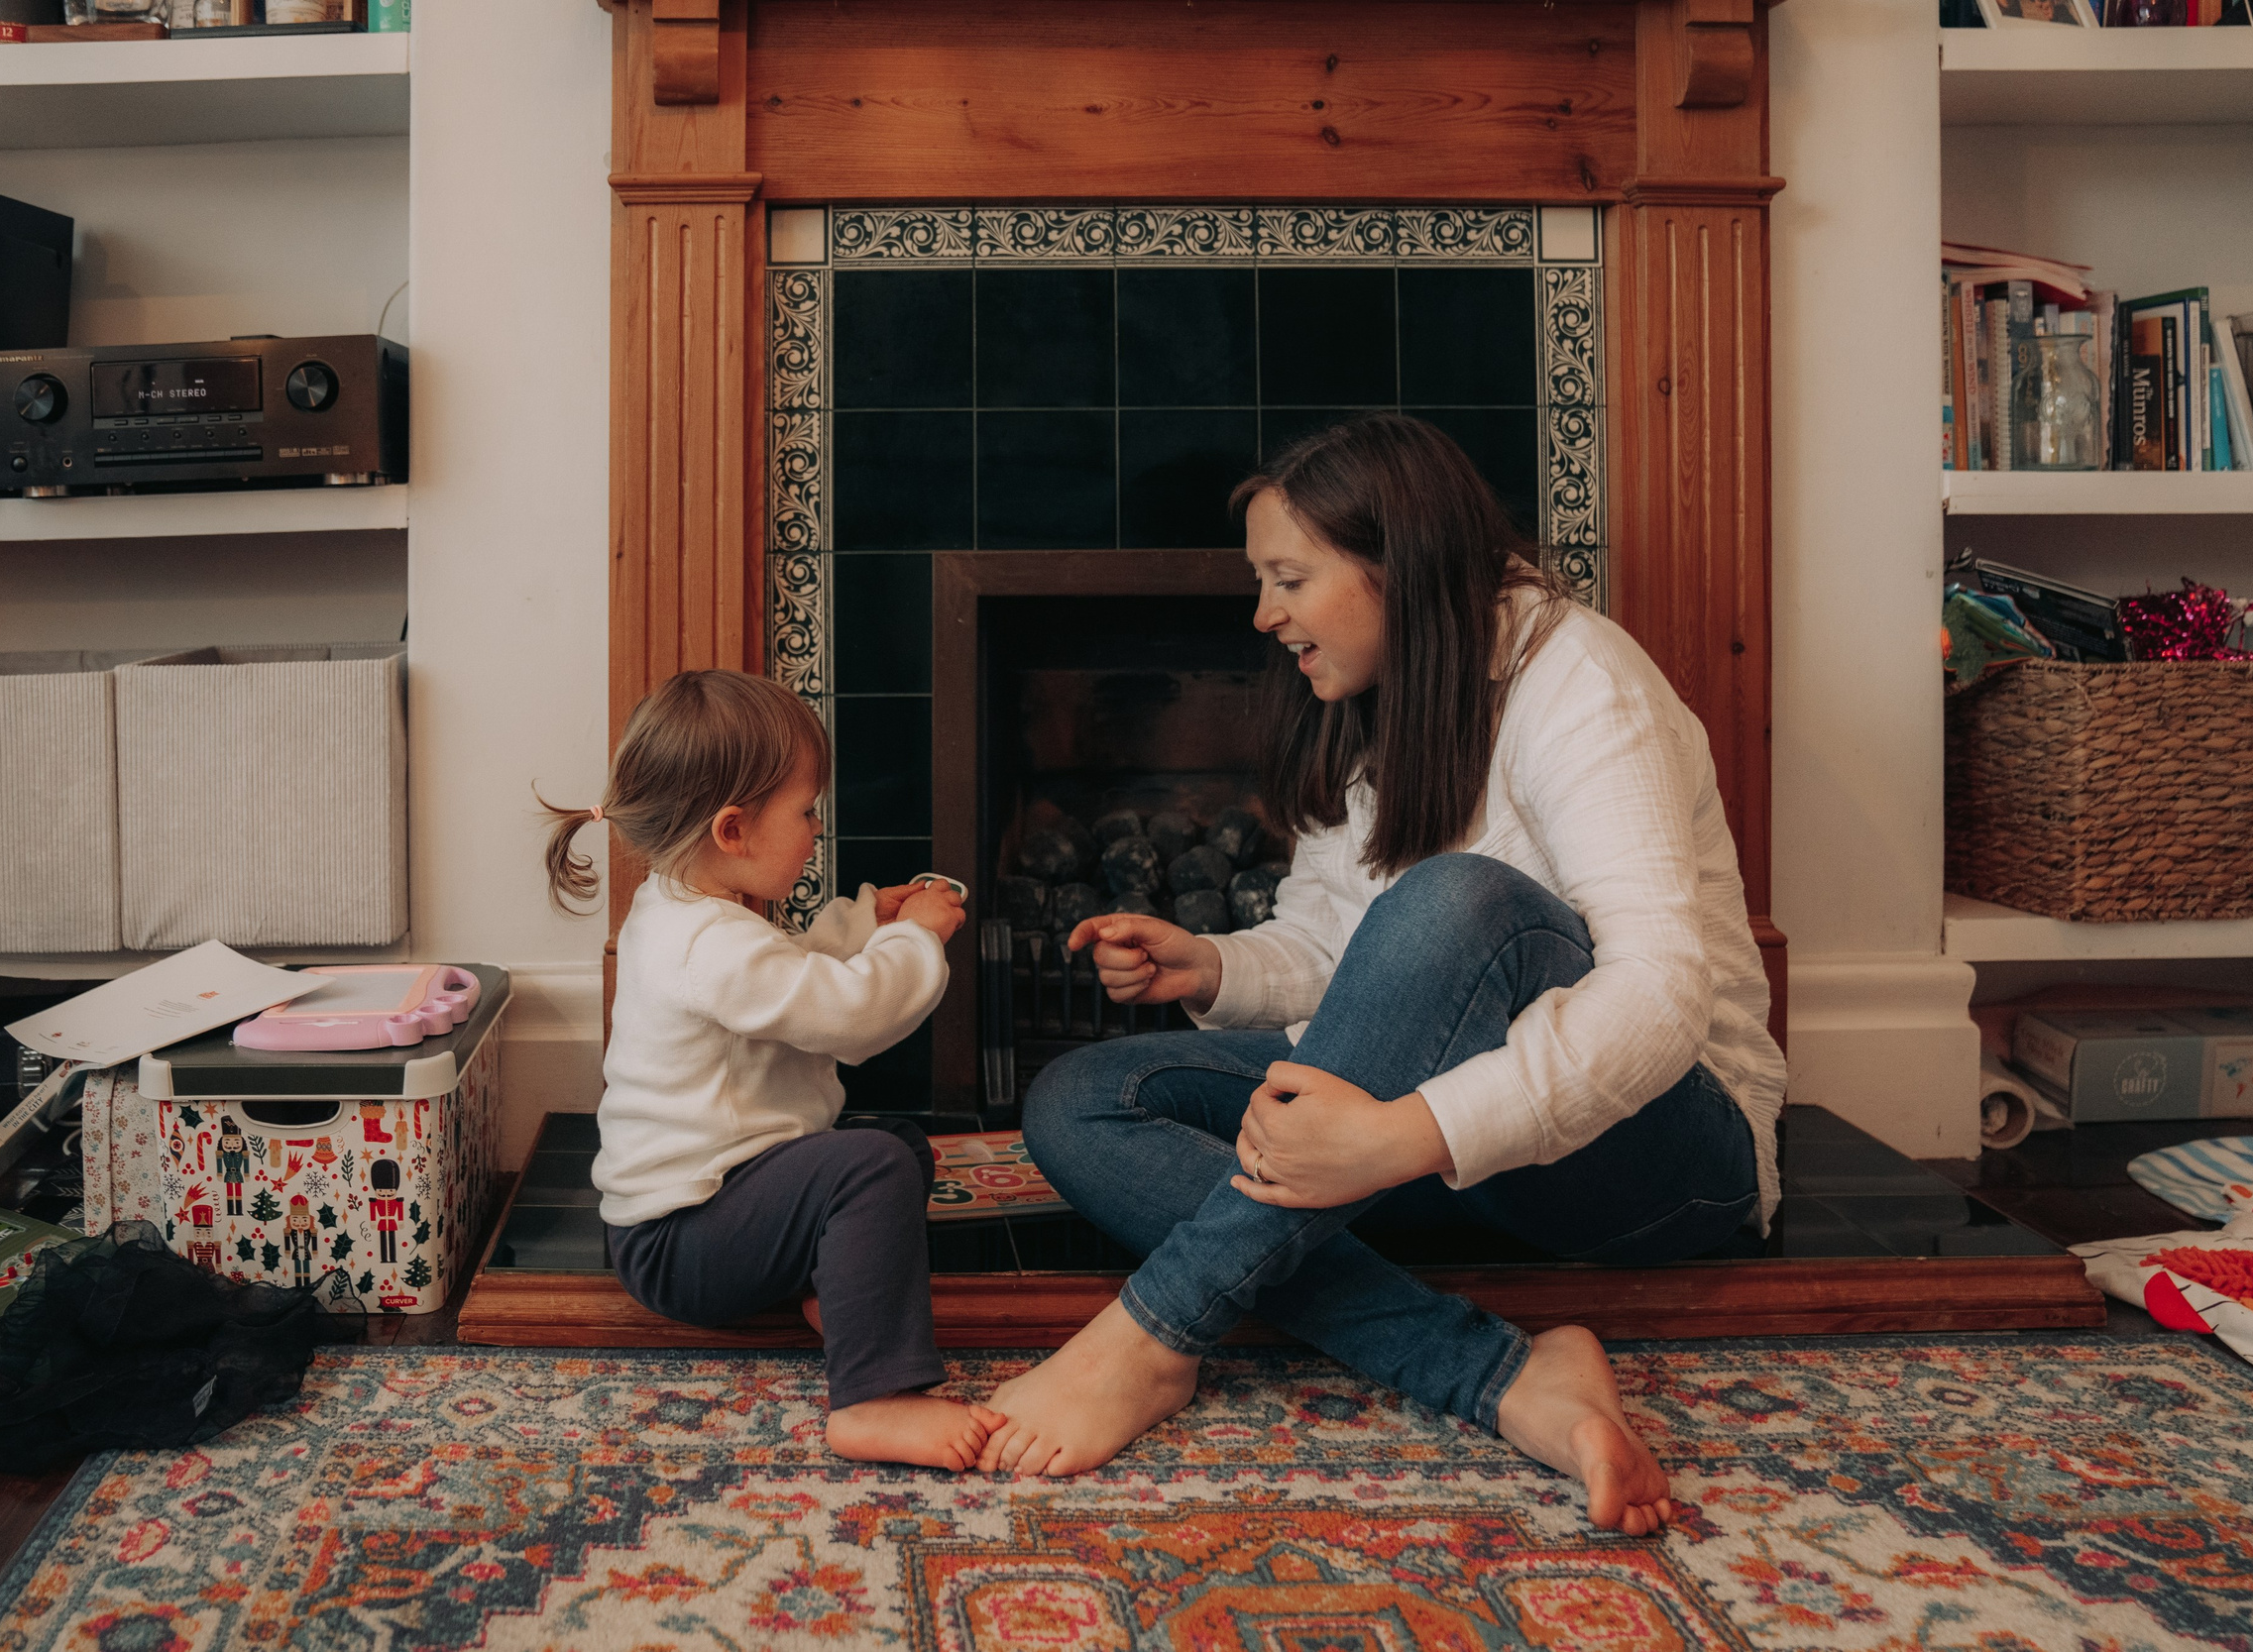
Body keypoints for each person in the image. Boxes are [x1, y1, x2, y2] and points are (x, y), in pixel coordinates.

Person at [982, 415, 1785, 1538]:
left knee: (1462, 898)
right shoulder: (1369, 701)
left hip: (1658, 1155)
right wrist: (1210, 963)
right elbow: (1334, 954)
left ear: (1392, 563)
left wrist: (1408, 1138)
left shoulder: (1581, 680)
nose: (1266, 617)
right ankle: (1505, 1377)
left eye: (1289, 579)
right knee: (1084, 1097)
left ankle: (1151, 1336)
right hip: (1452, 1155)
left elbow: (1659, 996)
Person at [541, 668, 1003, 1471]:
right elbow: (850, 1014)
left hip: (708, 1206)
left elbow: (790, 980)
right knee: (869, 1167)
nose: (818, 827)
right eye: (806, 810)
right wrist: (916, 938)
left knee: (898, 1144)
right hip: (677, 1242)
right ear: (733, 830)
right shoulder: (711, 945)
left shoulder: (686, 911)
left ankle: (842, 1294)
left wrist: (866, 923)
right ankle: (872, 1400)